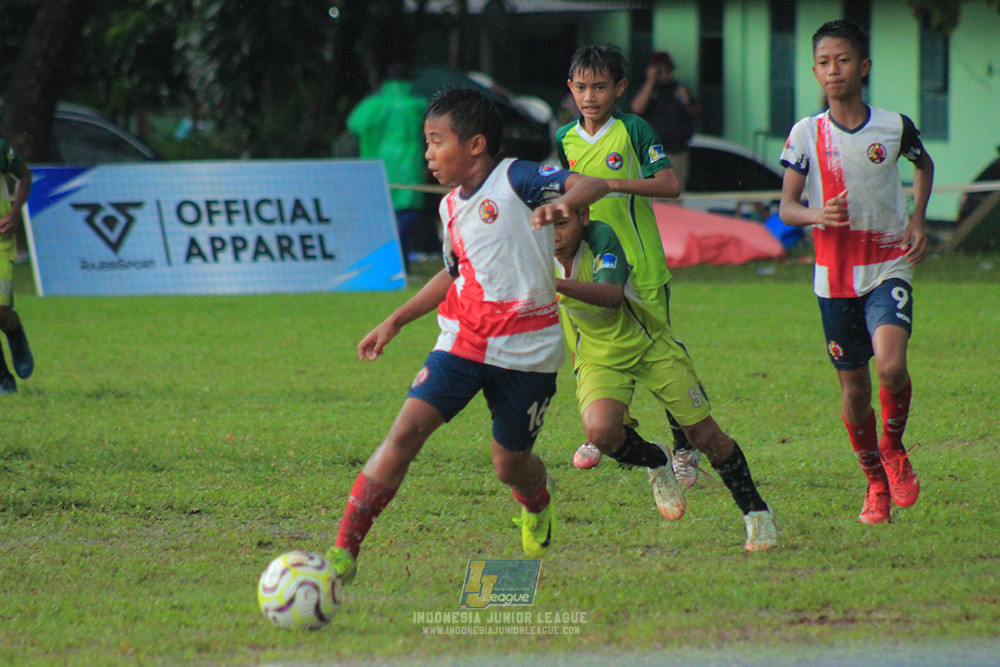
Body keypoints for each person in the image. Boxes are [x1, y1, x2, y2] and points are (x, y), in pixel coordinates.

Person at [325, 89, 612, 583]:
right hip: (463, 340)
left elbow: (595, 183)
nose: (428, 154)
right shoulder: (450, 207)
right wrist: (396, 319)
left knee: (509, 465)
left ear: (476, 144)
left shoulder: (517, 178)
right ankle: (343, 552)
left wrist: (559, 203)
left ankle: (536, 501)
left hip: (530, 352)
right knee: (405, 433)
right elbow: (455, 272)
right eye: (427, 143)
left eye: (437, 142)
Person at [541, 203, 777, 551]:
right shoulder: (533, 250)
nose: (555, 236)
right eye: (546, 226)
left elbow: (611, 294)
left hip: (650, 346)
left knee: (704, 435)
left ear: (583, 217)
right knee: (602, 434)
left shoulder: (601, 237)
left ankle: (756, 512)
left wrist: (551, 282)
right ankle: (657, 460)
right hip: (598, 358)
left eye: (562, 224)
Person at [778, 20, 933, 525]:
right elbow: (786, 207)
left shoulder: (892, 126)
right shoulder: (807, 133)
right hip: (835, 278)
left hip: (888, 265)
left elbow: (922, 164)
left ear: (863, 67)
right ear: (815, 70)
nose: (833, 70)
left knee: (890, 366)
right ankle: (874, 482)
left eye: (842, 60)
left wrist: (917, 219)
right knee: (854, 390)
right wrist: (814, 215)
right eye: (823, 62)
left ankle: (893, 447)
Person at [555, 44, 702, 487]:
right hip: (590, 266)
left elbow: (670, 184)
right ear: (570, 89)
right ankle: (607, 427)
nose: (590, 96)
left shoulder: (633, 128)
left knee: (660, 352)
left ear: (619, 88)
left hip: (641, 266)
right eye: (581, 87)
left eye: (600, 87)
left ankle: (684, 444)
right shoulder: (565, 139)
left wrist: (608, 184)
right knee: (588, 347)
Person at [346, 63, 428, 271]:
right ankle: (401, 264)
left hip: (377, 166)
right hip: (409, 165)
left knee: (380, 216)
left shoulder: (372, 106)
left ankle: (382, 264)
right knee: (406, 214)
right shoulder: (418, 105)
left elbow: (353, 124)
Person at [630, 51, 700, 190]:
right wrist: (651, 80)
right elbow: (637, 108)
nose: (665, 74)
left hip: (677, 151)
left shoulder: (678, 89)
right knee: (653, 193)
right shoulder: (647, 90)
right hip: (652, 153)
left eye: (668, 70)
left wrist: (687, 102)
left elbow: (696, 113)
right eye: (661, 71)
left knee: (675, 191)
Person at [0, 136, 34, 394]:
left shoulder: (1, 148)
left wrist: (13, 213)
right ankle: (3, 378)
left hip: (0, 241)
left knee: (0, 309)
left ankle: (15, 333)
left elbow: (25, 177)